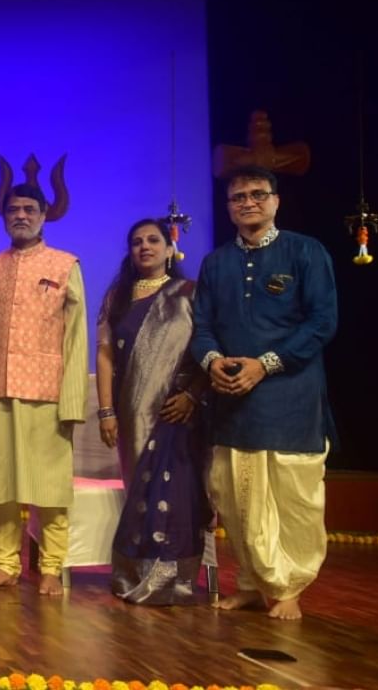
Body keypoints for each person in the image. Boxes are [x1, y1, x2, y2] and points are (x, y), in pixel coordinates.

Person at [190, 165, 337, 620]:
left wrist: (265, 365)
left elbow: (321, 323)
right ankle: (252, 584)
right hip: (232, 397)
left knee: (291, 496)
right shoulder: (216, 262)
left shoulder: (305, 252)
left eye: (258, 194)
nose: (248, 202)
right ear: (229, 207)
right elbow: (202, 327)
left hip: (290, 398)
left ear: (276, 200)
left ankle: (289, 587)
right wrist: (213, 361)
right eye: (238, 197)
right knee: (234, 495)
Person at [0, 183, 87, 596]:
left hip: (46, 392)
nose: (21, 215)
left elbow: (76, 337)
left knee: (50, 486)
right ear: (4, 216)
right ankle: (5, 565)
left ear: (44, 215)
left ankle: (50, 567)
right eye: (13, 209)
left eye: (30, 209)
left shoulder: (65, 264)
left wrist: (72, 401)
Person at [96, 218, 210, 605]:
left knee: (175, 490)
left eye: (153, 240)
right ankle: (135, 573)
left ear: (168, 247)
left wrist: (193, 396)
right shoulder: (117, 297)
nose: (145, 247)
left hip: (175, 411)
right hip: (131, 410)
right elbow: (106, 357)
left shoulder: (188, 293)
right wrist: (106, 411)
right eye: (136, 242)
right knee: (139, 492)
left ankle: (173, 579)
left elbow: (204, 353)